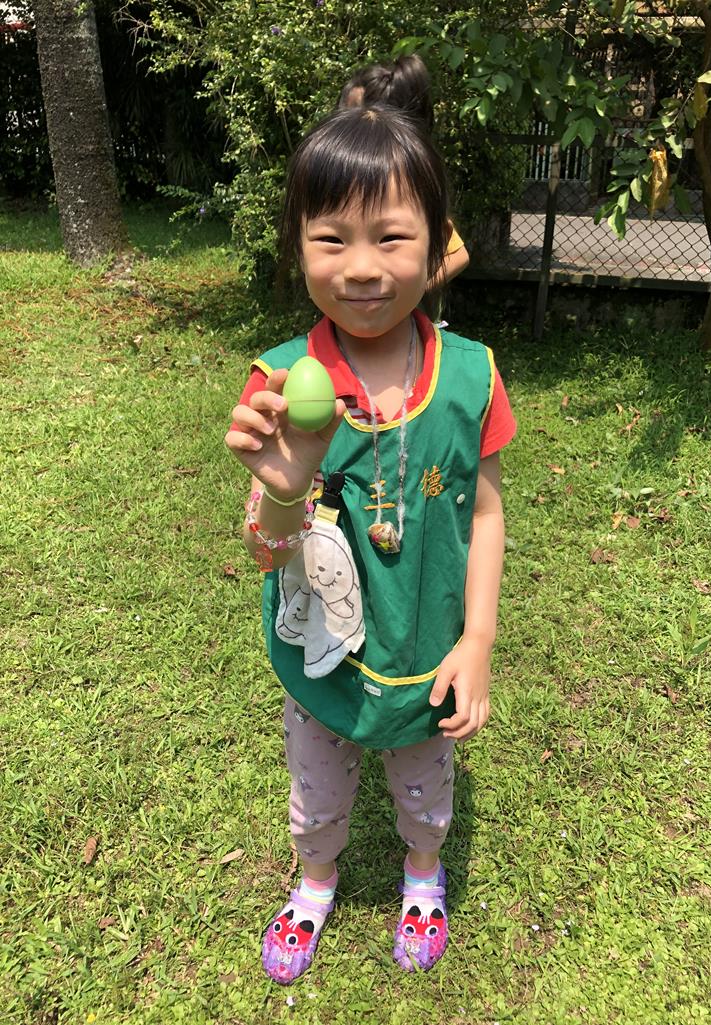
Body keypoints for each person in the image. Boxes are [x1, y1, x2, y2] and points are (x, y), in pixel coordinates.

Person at [225, 105, 516, 984]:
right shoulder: (283, 380)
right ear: (297, 245)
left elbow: (485, 515)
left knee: (425, 789)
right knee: (316, 792)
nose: (359, 267)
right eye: (330, 238)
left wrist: (477, 638)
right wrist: (285, 486)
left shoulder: (470, 377)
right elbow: (265, 551)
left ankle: (422, 875)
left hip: (427, 646)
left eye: (390, 236)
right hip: (322, 656)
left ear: (436, 245)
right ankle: (314, 883)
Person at [339, 54, 470, 288]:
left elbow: (458, 254)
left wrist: (411, 292)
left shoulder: (405, 180)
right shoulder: (342, 175)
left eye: (353, 115)